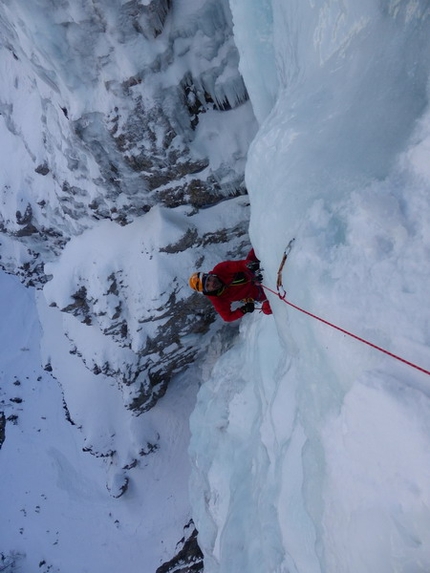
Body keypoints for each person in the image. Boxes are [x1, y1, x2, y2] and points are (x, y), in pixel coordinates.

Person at [188, 249, 272, 322]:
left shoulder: (220, 270)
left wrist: (248, 265)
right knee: (268, 309)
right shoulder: (217, 299)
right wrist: (244, 310)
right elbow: (227, 317)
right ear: (206, 291)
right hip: (259, 293)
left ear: (210, 275)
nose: (212, 283)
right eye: (207, 285)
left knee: (258, 246)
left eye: (209, 279)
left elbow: (238, 265)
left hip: (253, 271)